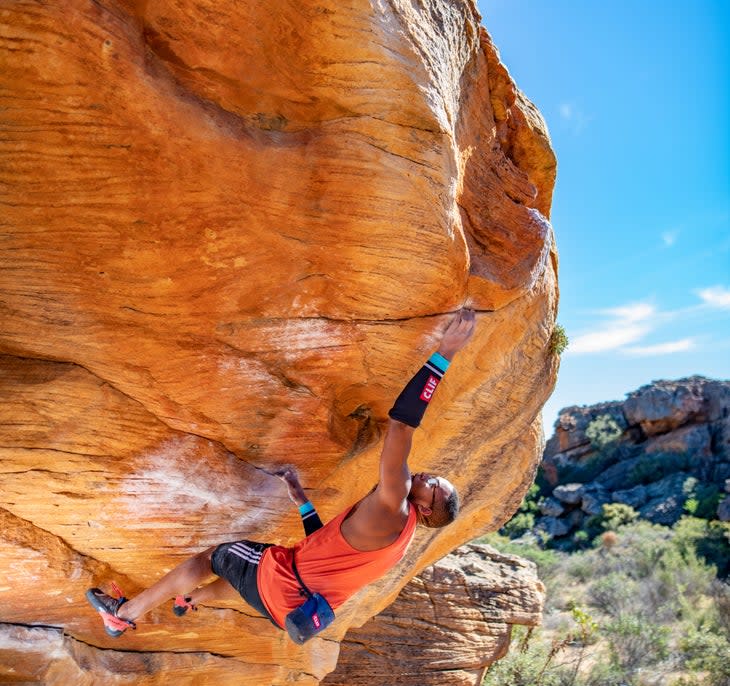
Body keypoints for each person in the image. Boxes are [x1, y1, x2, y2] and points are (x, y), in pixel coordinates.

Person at [85, 309, 476, 640]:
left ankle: (123, 614)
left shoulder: (394, 505)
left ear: (426, 511)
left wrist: (444, 355)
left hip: (282, 585)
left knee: (216, 557)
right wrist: (304, 503)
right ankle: (192, 600)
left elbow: (401, 427)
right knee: (247, 572)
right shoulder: (393, 540)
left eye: (434, 487)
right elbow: (325, 550)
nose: (426, 477)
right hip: (289, 609)